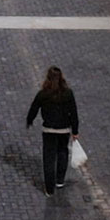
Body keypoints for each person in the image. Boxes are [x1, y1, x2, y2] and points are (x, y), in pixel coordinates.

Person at [25, 66, 79, 195]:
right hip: (64, 130)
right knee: (62, 153)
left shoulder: (43, 94)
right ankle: (59, 180)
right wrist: (75, 131)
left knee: (49, 158)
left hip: (49, 130)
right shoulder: (68, 93)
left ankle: (49, 189)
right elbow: (74, 113)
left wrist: (29, 120)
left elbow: (34, 108)